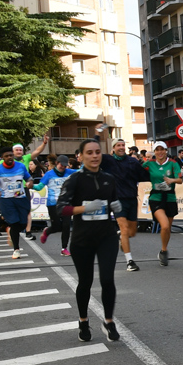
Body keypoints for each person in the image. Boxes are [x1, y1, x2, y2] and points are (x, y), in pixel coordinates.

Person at [57, 138, 122, 343]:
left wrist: (119, 212)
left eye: (97, 152)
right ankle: (83, 321)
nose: (94, 156)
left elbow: (114, 201)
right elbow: (61, 208)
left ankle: (109, 321)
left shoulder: (109, 178)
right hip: (82, 239)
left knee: (107, 279)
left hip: (106, 236)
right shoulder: (74, 180)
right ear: (81, 156)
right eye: (90, 153)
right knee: (85, 282)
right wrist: (84, 208)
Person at [103, 137, 149, 271]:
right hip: (117, 200)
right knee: (124, 229)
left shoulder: (132, 161)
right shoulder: (108, 161)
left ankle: (122, 238)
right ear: (113, 148)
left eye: (123, 145)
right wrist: (98, 134)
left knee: (132, 232)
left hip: (132, 199)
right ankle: (130, 261)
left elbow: (143, 175)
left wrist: (157, 174)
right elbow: (94, 152)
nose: (121, 147)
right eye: (118, 145)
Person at [0, 147, 33, 260]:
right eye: (6, 156)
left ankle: (3, 219)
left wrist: (29, 183)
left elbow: (29, 178)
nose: (9, 157)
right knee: (14, 223)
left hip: (21, 198)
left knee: (23, 224)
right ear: (2, 158)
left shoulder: (21, 166)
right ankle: (16, 249)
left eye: (11, 155)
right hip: (6, 200)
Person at [145, 141, 183, 266]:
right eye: (157, 150)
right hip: (156, 197)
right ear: (154, 152)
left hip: (170, 197)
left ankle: (163, 250)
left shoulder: (173, 163)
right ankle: (164, 250)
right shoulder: (150, 163)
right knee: (165, 225)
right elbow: (136, 171)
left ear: (166, 151)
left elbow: (180, 180)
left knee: (167, 229)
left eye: (162, 149)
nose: (160, 152)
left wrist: (172, 180)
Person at [39, 155, 75, 256]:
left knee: (66, 225)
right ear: (56, 163)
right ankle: (47, 231)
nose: (63, 167)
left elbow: (82, 171)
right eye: (61, 165)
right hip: (52, 203)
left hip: (66, 203)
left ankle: (64, 248)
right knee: (57, 226)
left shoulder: (69, 172)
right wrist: (31, 185)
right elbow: (40, 186)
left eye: (65, 165)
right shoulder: (49, 174)